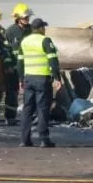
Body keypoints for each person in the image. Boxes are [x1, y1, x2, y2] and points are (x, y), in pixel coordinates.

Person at [18, 18, 60, 147]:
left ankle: (25, 140)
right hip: (42, 78)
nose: (45, 30)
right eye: (44, 28)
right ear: (41, 28)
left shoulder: (24, 41)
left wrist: (21, 79)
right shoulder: (45, 40)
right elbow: (53, 60)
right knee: (42, 108)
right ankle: (44, 139)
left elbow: (20, 62)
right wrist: (57, 77)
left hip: (28, 78)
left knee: (27, 109)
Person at [3, 4, 33, 125]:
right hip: (14, 68)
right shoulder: (10, 31)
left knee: (30, 93)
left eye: (28, 17)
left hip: (29, 67)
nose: (27, 20)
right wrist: (8, 66)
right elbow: (5, 50)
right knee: (11, 93)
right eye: (24, 17)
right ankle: (10, 117)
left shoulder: (31, 30)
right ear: (17, 18)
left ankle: (29, 116)